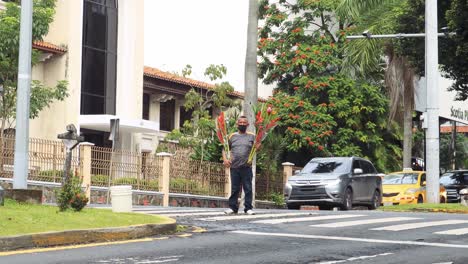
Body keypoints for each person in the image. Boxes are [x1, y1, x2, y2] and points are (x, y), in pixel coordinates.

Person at [223, 115, 256, 215]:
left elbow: (257, 148)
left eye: (244, 123)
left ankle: (248, 208)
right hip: (234, 167)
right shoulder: (232, 136)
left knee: (248, 188)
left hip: (246, 167)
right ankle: (233, 208)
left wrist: (259, 146)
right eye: (240, 123)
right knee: (234, 188)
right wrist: (225, 160)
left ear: (247, 124)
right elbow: (225, 148)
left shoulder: (252, 136)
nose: (242, 124)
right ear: (237, 124)